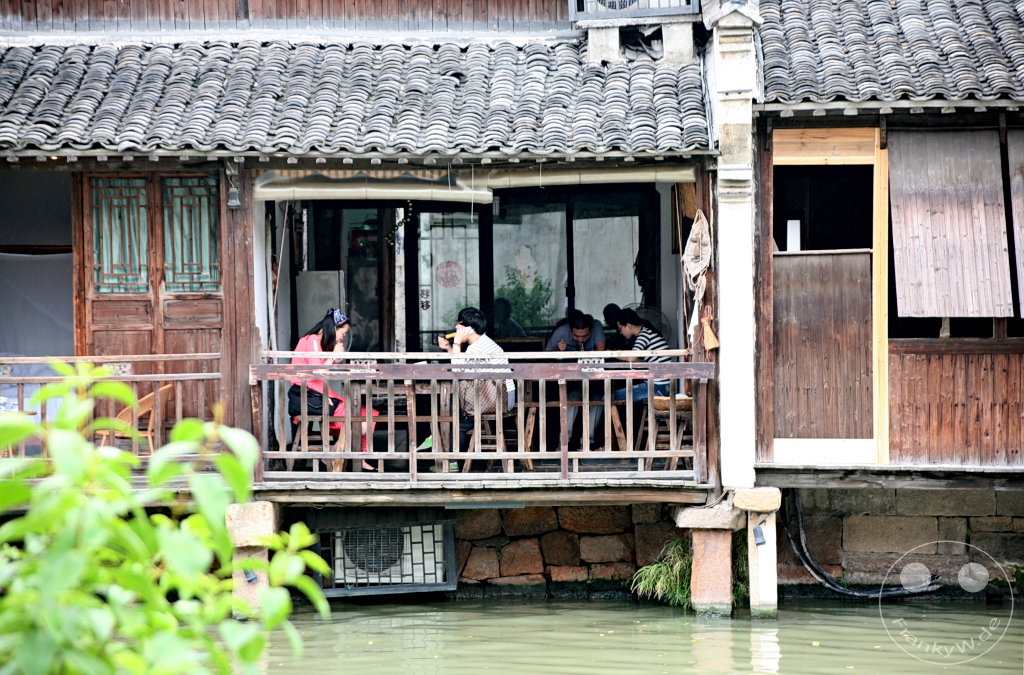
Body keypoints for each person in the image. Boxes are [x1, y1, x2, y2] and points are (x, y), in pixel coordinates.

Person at [288, 308, 377, 471]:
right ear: (333, 328)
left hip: (318, 393)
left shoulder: (315, 341)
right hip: (311, 396)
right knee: (365, 420)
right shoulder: (312, 340)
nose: (343, 337)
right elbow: (318, 371)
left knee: (370, 413)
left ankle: (359, 458)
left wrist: (334, 359)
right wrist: (332, 356)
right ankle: (331, 457)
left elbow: (319, 367)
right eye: (342, 333)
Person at [438, 307, 516, 456]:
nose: (456, 327)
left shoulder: (477, 348)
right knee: (457, 409)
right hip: (499, 395)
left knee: (459, 419)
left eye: (460, 324)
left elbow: (457, 371)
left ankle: (451, 459)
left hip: (499, 398)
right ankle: (447, 452)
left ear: (469, 329)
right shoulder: (482, 343)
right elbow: (462, 366)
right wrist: (449, 348)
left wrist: (457, 343)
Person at [613, 308, 671, 401]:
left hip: (657, 387)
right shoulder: (647, 332)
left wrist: (611, 353)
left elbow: (631, 358)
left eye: (620, 328)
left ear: (629, 326)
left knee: (609, 397)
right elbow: (640, 360)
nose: (620, 332)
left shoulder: (644, 335)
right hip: (661, 386)